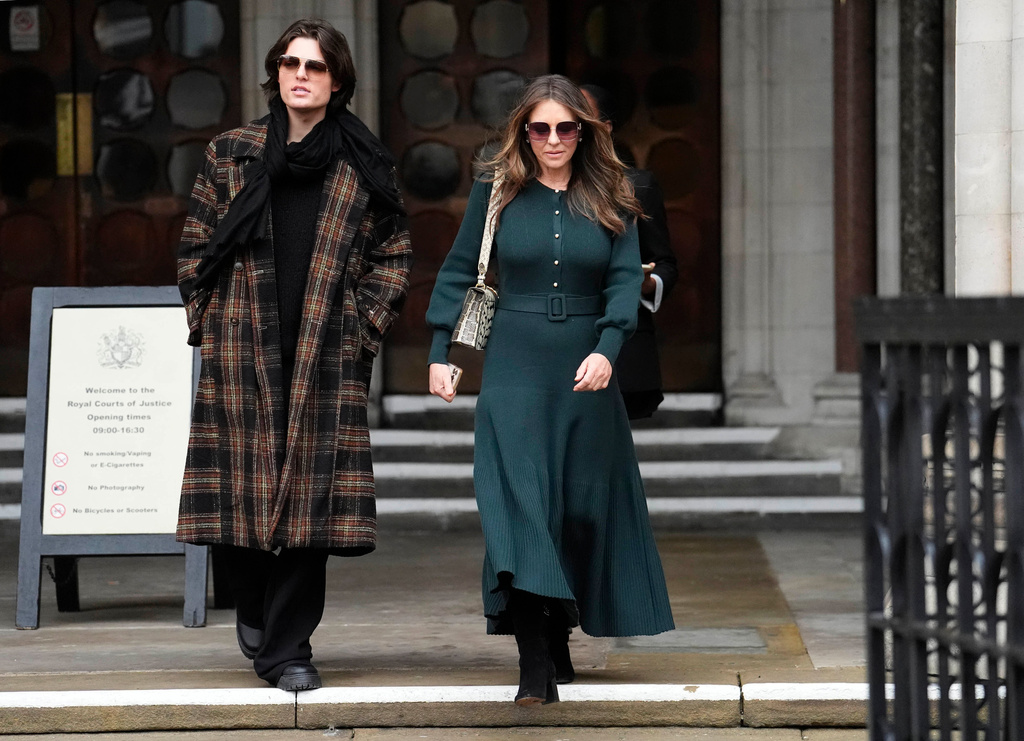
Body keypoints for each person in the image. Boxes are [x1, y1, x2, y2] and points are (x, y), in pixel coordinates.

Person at [175, 18, 412, 692]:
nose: (300, 75)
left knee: (308, 510)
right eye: (290, 63)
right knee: (239, 501)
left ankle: (288, 648)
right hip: (241, 351)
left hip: (326, 356)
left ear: (338, 81)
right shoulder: (232, 151)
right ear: (274, 73)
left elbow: (393, 256)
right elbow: (196, 247)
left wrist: (362, 328)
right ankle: (252, 605)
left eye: (314, 65)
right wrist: (210, 321)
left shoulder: (365, 162)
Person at [425, 74, 675, 707]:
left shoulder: (612, 193)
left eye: (567, 127)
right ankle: (533, 664)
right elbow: (459, 274)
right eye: (541, 127)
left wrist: (607, 350)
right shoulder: (497, 192)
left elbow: (624, 284)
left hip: (585, 372)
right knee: (520, 505)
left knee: (578, 509)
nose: (555, 138)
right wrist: (442, 355)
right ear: (523, 132)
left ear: (584, 132)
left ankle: (558, 637)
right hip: (513, 365)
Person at [581, 84, 678, 420]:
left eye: (580, 120)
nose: (568, 132)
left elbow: (665, 264)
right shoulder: (533, 190)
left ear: (604, 128)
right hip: (552, 348)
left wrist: (645, 280)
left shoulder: (636, 187)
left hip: (622, 353)